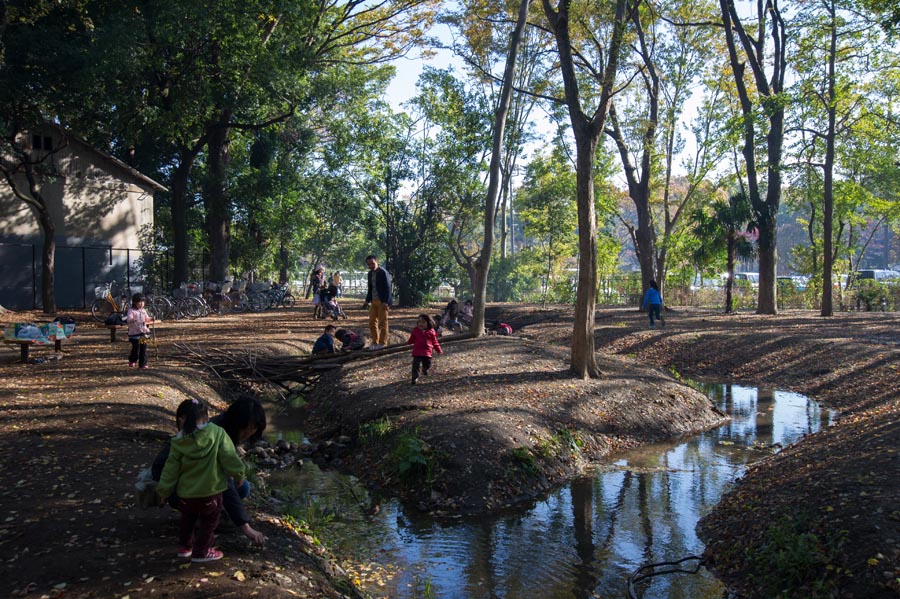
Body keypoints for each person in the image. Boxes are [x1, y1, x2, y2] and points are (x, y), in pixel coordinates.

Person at [151, 396, 267, 548]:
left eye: (254, 428)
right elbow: (225, 480)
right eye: (247, 428)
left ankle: (193, 525)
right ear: (237, 422)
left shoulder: (220, 427)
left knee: (242, 487)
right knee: (222, 493)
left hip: (185, 478)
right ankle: (202, 543)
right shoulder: (217, 434)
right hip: (175, 478)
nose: (250, 433)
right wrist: (246, 527)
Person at [365, 255, 392, 349]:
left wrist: (386, 301)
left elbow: (388, 287)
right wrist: (367, 300)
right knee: (372, 322)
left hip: (382, 301)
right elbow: (370, 288)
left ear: (377, 262)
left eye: (372, 263)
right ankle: (374, 342)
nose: (371, 266)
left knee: (383, 322)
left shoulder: (383, 272)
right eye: (369, 264)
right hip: (373, 300)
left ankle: (382, 343)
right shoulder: (369, 274)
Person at [407, 314, 442, 385]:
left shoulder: (431, 331)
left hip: (427, 351)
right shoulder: (415, 330)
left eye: (423, 322)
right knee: (415, 364)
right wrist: (409, 342)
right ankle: (414, 377)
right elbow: (412, 338)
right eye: (419, 322)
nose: (421, 324)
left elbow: (435, 342)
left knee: (427, 363)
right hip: (417, 351)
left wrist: (438, 350)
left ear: (428, 323)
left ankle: (425, 369)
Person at [126, 292, 154, 369]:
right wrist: (132, 319)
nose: (141, 304)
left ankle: (143, 364)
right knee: (136, 349)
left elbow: (146, 318)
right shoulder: (131, 310)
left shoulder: (143, 310)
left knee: (143, 349)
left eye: (143, 302)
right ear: (134, 302)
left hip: (143, 333)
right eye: (139, 302)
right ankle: (132, 360)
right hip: (134, 334)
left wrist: (151, 319)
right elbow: (128, 319)